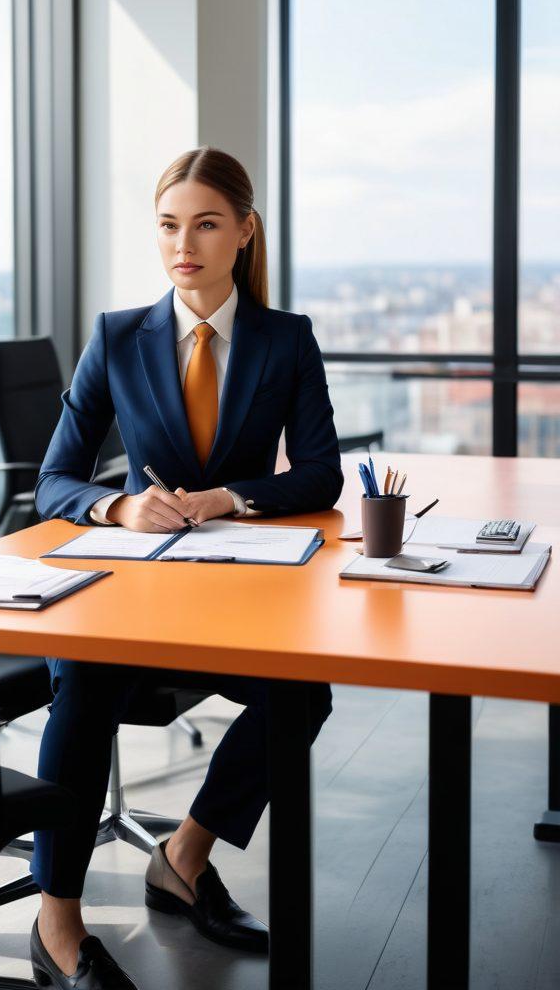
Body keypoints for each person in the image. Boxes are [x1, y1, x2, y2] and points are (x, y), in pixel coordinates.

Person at [28, 147, 342, 990]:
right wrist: (116, 505)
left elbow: (320, 474)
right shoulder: (117, 338)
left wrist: (229, 498)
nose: (185, 243)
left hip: (232, 596)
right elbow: (50, 480)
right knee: (85, 687)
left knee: (302, 694)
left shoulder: (286, 341)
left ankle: (183, 856)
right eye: (170, 225)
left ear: (243, 231)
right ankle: (57, 923)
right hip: (126, 596)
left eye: (206, 223)